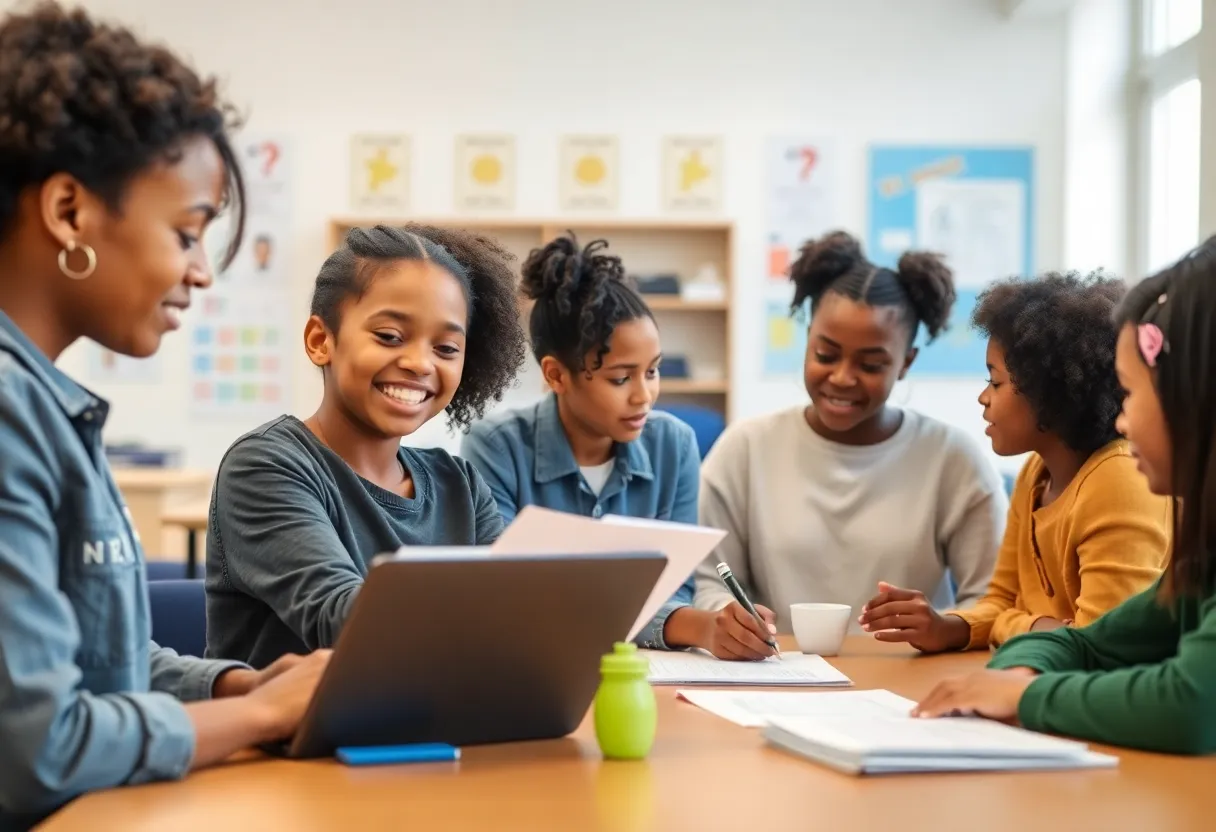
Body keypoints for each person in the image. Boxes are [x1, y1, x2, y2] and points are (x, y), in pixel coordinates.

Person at [0, 4, 329, 825]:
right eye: (187, 233)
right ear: (70, 212)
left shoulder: (43, 406)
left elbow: (92, 660)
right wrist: (263, 717)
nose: (200, 273)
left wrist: (234, 685)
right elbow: (36, 747)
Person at [912, 239, 1216, 755]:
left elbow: (1190, 707)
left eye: (1133, 392)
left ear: (1193, 398)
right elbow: (1086, 643)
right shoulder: (1203, 558)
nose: (1122, 418)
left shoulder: (1118, 478)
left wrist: (1026, 691)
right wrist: (1018, 669)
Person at [205, 224, 527, 668]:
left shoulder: (461, 486)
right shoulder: (265, 465)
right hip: (297, 734)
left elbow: (521, 611)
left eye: (446, 347)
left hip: (440, 722)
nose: (419, 363)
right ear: (321, 341)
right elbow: (342, 621)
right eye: (390, 337)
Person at [461, 235, 777, 660]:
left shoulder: (674, 445)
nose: (644, 396)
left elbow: (674, 585)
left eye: (653, 370)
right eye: (621, 378)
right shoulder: (495, 448)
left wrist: (710, 623)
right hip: (529, 662)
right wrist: (689, 625)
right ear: (556, 376)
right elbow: (504, 591)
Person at [693, 231, 1006, 632]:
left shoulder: (953, 459)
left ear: (906, 362)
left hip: (909, 683)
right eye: (825, 355)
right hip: (775, 678)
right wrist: (729, 618)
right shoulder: (745, 449)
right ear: (807, 340)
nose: (842, 378)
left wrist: (944, 626)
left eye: (871, 365)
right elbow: (708, 584)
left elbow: (993, 599)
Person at [860, 273, 1169, 651]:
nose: (983, 398)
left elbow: (1103, 649)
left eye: (995, 381)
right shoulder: (1037, 475)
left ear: (1047, 392)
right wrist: (947, 627)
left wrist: (1014, 623)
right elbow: (1002, 602)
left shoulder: (1119, 482)